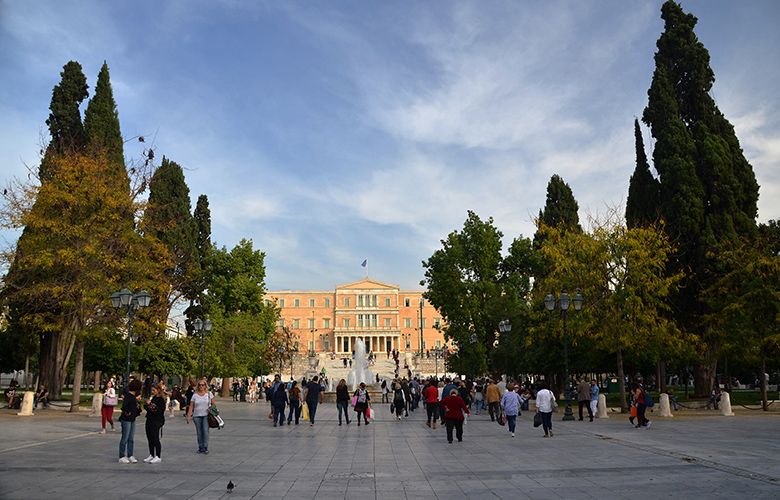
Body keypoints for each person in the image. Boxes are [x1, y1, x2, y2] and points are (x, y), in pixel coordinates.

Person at [118, 378, 143, 463]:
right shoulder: (129, 396)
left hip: (133, 418)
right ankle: (121, 456)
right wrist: (127, 412)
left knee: (131, 438)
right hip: (126, 419)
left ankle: (130, 455)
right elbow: (124, 406)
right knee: (125, 437)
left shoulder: (133, 397)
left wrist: (138, 409)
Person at [186, 380, 214, 453]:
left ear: (205, 386)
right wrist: (188, 416)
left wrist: (210, 409)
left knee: (205, 430)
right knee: (199, 432)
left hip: (206, 415)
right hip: (197, 415)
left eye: (202, 385)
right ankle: (200, 446)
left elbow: (213, 404)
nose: (201, 386)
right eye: (200, 385)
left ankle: (205, 446)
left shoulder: (209, 394)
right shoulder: (195, 395)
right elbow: (191, 406)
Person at [143, 384, 166, 464]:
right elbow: (148, 409)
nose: (152, 392)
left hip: (157, 420)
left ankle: (158, 456)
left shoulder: (161, 399)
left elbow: (158, 410)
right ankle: (151, 454)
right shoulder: (154, 398)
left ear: (158, 390)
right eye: (152, 390)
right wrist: (146, 404)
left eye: (154, 390)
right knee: (150, 438)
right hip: (150, 418)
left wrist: (150, 404)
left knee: (155, 437)